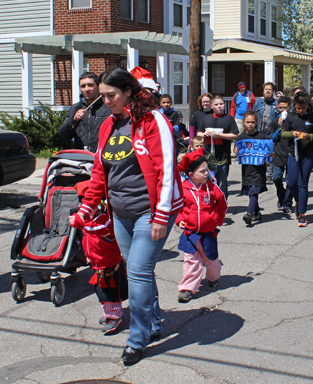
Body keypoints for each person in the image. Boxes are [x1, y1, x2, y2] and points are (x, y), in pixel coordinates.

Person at [76, 66, 184, 365]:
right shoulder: (107, 126)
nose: (106, 101)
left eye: (111, 95)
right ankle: (154, 321)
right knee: (140, 272)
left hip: (150, 212)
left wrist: (162, 216)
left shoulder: (152, 121)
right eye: (103, 96)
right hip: (120, 213)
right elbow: (100, 172)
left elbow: (166, 169)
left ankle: (137, 339)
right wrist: (87, 207)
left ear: (127, 91)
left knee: (136, 272)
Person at [175, 148, 227, 303]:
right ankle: (188, 288)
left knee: (211, 259)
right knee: (191, 259)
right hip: (190, 233)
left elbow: (222, 204)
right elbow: (177, 207)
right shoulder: (182, 188)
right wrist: (179, 219)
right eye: (202, 171)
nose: (206, 173)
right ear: (191, 175)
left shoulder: (212, 188)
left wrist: (218, 218)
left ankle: (213, 278)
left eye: (207, 170)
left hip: (208, 232)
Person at [69, 201, 127, 334]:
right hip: (97, 262)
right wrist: (87, 254)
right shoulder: (91, 220)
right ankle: (108, 313)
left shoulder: (105, 219)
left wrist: (80, 221)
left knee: (110, 291)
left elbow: (97, 229)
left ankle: (114, 316)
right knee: (101, 291)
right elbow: (87, 238)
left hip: (108, 262)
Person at [281, 92, 313, 227]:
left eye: (303, 108)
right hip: (293, 154)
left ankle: (302, 213)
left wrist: (308, 136)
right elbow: (283, 133)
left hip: (308, 154)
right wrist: (291, 134)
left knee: (303, 183)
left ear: (307, 106)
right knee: (291, 183)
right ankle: (298, 201)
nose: (300, 111)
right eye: (298, 108)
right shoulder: (291, 116)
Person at [198, 95, 239, 199]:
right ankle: (210, 206)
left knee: (222, 183)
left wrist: (220, 135)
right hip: (208, 156)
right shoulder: (206, 118)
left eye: (221, 104)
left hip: (223, 157)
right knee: (208, 182)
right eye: (216, 104)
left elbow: (235, 135)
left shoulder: (229, 119)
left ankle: (223, 205)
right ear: (212, 106)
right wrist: (204, 134)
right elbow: (198, 133)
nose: (219, 106)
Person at [59, 72, 111, 152]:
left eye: (90, 85)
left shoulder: (108, 107)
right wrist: (74, 120)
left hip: (104, 156)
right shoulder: (75, 108)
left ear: (98, 86)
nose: (86, 89)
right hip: (82, 156)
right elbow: (64, 135)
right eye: (83, 86)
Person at [234, 111, 271, 224]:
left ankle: (249, 213)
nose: (250, 124)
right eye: (248, 122)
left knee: (254, 191)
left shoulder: (262, 136)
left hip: (259, 170)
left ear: (256, 123)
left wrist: (270, 152)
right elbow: (236, 151)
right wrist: (236, 150)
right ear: (244, 122)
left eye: (253, 122)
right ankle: (257, 212)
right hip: (247, 170)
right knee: (251, 191)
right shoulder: (241, 137)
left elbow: (269, 152)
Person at [270, 96, 293, 214]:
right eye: (281, 107)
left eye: (285, 107)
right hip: (278, 153)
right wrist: (279, 128)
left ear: (290, 107)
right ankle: (281, 196)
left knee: (290, 180)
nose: (283, 110)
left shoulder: (293, 119)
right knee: (276, 177)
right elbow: (272, 138)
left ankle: (287, 203)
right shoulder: (275, 121)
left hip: (290, 153)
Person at [253, 82, 279, 184]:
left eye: (270, 89)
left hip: (271, 133)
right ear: (263, 91)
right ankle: (260, 174)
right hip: (260, 132)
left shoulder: (276, 104)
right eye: (266, 89)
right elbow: (253, 117)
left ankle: (269, 175)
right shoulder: (258, 103)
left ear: (273, 91)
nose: (268, 91)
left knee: (270, 154)